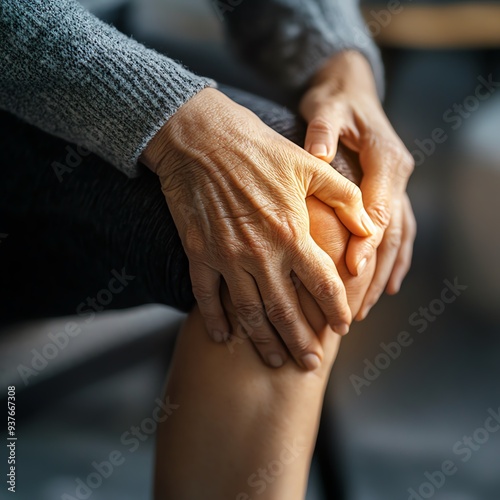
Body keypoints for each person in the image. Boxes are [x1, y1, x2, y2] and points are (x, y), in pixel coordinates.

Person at [0, 0, 416, 496]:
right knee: (305, 231)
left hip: (97, 28)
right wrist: (175, 121)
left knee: (328, 184)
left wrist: (342, 69)